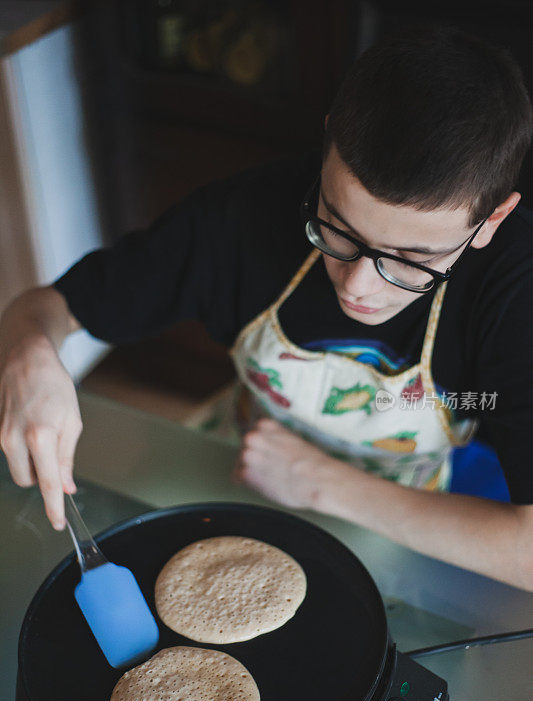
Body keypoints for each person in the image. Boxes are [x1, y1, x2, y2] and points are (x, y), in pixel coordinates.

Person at [1, 24, 533, 590]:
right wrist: (29, 350)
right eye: (337, 227)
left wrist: (321, 482)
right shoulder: (244, 214)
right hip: (234, 462)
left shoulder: (515, 290)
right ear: (328, 144)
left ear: (491, 221)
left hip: (406, 518)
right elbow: (48, 307)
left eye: (410, 261)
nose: (359, 286)